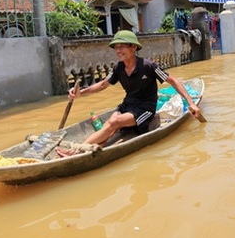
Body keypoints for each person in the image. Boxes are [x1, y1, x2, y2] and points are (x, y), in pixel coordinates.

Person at [56, 30, 203, 157]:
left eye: (122, 47)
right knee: (110, 123)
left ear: (133, 47)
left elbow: (173, 81)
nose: (118, 50)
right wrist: (80, 93)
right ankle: (92, 149)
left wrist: (191, 103)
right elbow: (102, 85)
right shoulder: (118, 67)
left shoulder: (148, 66)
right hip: (127, 105)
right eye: (116, 47)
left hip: (145, 109)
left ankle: (77, 149)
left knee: (114, 122)